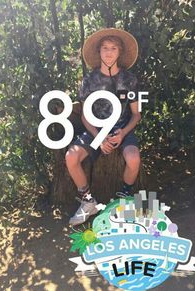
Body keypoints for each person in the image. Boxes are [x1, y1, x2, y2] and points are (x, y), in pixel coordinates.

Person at [65, 28, 141, 226]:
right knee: (71, 157)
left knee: (133, 158)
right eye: (105, 48)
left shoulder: (129, 80)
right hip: (96, 130)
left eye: (113, 48)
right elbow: (84, 115)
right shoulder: (88, 81)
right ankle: (88, 201)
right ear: (98, 51)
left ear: (119, 52)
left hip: (122, 128)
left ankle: (125, 200)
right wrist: (99, 138)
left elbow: (136, 114)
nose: (109, 52)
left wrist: (123, 133)